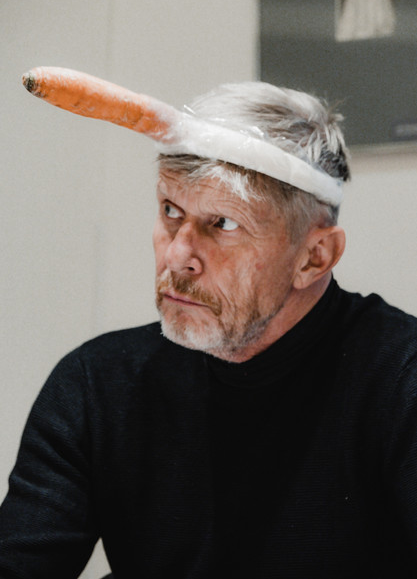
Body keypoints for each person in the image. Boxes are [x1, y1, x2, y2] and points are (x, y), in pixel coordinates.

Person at [1, 77, 417, 579]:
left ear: (314, 256)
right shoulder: (98, 384)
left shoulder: (401, 383)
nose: (178, 256)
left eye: (223, 224)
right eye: (170, 211)